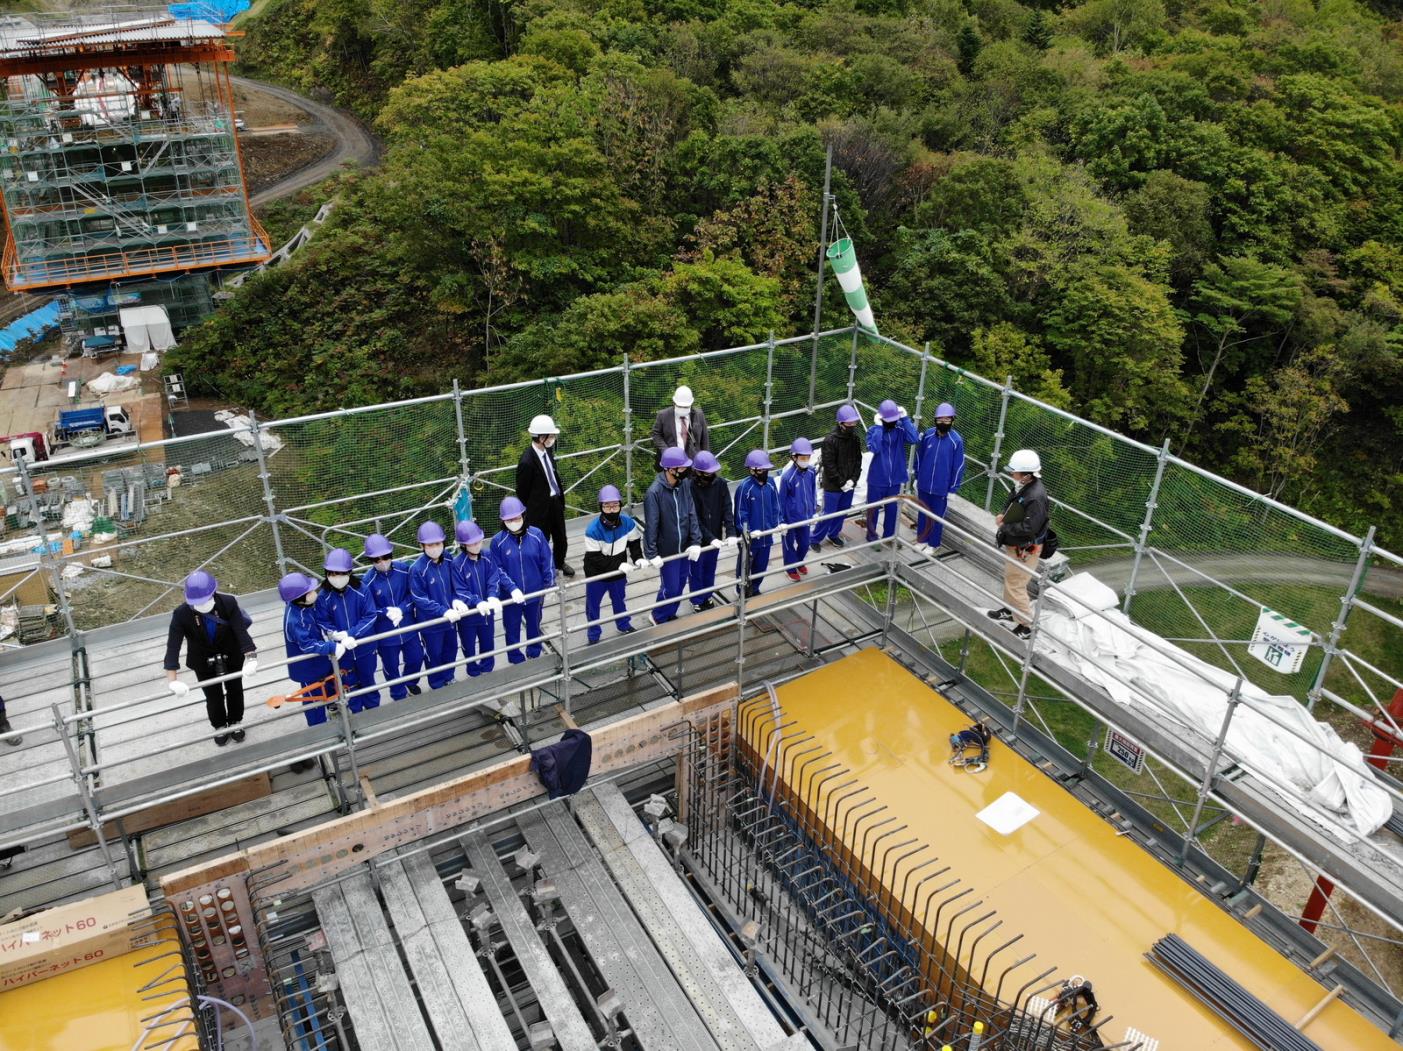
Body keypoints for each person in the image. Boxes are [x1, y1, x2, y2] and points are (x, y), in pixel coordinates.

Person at [163, 571, 257, 746]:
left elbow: (240, 631)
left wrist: (251, 657)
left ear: (213, 593)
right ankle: (220, 725)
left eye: (205, 600)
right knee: (213, 696)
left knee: (235, 689)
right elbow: (172, 647)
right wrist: (172, 681)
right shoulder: (181, 614)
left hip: (231, 654)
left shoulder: (227, 603)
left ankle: (236, 721)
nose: (202, 604)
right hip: (202, 660)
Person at [279, 571, 346, 752]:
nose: (314, 592)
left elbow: (318, 622)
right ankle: (319, 732)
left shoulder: (304, 607)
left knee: (329, 687)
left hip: (320, 662)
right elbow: (307, 646)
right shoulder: (295, 619)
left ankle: (332, 709)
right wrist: (332, 647)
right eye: (309, 591)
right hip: (307, 668)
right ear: (300, 597)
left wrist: (331, 632)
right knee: (314, 699)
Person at [987, 449, 1050, 640]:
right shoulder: (1023, 487)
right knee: (1011, 578)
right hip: (1018, 544)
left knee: (1016, 584)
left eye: (1014, 471)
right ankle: (1010, 609)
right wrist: (1003, 515)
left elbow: (1030, 527)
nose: (1011, 474)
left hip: (1026, 547)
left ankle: (1026, 625)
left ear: (1027, 474)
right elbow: (1013, 505)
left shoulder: (1036, 497)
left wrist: (1006, 527)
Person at [315, 548, 381, 711]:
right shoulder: (324, 596)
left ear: (349, 572)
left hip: (365, 647)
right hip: (342, 651)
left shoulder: (361, 589)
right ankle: (356, 713)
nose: (336, 577)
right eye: (332, 573)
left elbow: (370, 616)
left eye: (340, 573)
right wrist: (338, 636)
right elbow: (322, 621)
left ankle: (374, 710)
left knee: (368, 679)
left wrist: (351, 634)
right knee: (348, 683)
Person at [360, 533, 425, 699]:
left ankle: (410, 682)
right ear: (370, 561)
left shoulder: (404, 570)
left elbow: (414, 594)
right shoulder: (367, 581)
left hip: (409, 626)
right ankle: (397, 692)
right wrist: (386, 612)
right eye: (377, 559)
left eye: (386, 557)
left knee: (416, 658)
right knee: (391, 665)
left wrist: (402, 609)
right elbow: (368, 610)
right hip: (385, 633)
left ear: (391, 554)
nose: (382, 562)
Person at [409, 521, 472, 689]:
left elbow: (455, 584)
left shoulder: (449, 559)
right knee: (433, 654)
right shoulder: (417, 569)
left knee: (451, 648)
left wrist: (456, 599)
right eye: (430, 544)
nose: (435, 547)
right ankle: (436, 683)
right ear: (422, 545)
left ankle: (449, 677)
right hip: (431, 622)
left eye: (438, 543)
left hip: (450, 619)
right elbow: (419, 598)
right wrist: (443, 611)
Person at [644, 447, 703, 624]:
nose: (686, 471)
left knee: (680, 584)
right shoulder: (654, 493)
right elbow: (651, 525)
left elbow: (691, 512)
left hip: (684, 547)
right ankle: (657, 616)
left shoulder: (684, 485)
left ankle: (670, 613)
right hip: (667, 551)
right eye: (683, 468)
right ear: (670, 469)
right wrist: (651, 554)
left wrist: (696, 541)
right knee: (669, 588)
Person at [492, 496, 554, 662]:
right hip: (510, 597)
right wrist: (512, 588)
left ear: (524, 516)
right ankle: (515, 657)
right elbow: (497, 569)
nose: (514, 521)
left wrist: (550, 584)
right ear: (503, 520)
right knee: (511, 627)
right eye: (509, 519)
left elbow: (547, 560)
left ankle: (534, 651)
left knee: (534, 624)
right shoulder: (497, 542)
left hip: (535, 591)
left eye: (517, 518)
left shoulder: (537, 535)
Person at [582, 485, 643, 644]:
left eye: (615, 506)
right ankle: (594, 634)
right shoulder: (592, 530)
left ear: (620, 506)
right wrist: (619, 566)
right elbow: (595, 558)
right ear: (601, 507)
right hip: (596, 573)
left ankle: (623, 624)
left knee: (619, 599)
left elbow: (634, 543)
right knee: (593, 605)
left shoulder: (628, 523)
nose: (611, 510)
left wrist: (638, 558)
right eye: (607, 507)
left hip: (618, 570)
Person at [516, 414, 574, 577]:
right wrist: (530, 511)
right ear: (541, 437)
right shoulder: (527, 462)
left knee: (561, 537)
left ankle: (559, 562)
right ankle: (543, 569)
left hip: (554, 502)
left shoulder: (547, 451)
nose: (553, 438)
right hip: (538, 509)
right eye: (551, 435)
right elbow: (522, 491)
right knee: (541, 541)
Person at [452, 521, 504, 675]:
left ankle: (488, 669)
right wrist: (477, 602)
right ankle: (473, 671)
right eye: (471, 543)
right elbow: (460, 590)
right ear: (463, 545)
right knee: (468, 645)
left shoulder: (487, 555)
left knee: (488, 642)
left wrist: (493, 596)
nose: (476, 546)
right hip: (468, 616)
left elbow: (493, 578)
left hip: (487, 613)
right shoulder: (457, 564)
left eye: (478, 542)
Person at [913, 402, 965, 556]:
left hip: (941, 488)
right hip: (924, 484)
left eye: (947, 420)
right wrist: (917, 476)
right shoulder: (928, 435)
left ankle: (933, 544)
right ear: (935, 420)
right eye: (940, 420)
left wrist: (953, 488)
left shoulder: (956, 441)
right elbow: (919, 456)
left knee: (936, 517)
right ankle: (921, 540)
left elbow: (959, 466)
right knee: (923, 513)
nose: (943, 423)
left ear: (952, 421)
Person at [688, 451, 736, 612]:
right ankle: (696, 599)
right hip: (696, 539)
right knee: (696, 571)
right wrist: (709, 538)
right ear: (698, 472)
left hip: (715, 534)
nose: (711, 475)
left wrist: (730, 532)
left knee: (710, 568)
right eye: (707, 473)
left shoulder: (720, 484)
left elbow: (727, 508)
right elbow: (693, 517)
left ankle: (707, 595)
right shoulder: (690, 488)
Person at [865, 399, 918, 542]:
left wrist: (906, 419)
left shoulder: (900, 429)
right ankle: (871, 536)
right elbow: (874, 448)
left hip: (895, 479)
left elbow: (914, 439)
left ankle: (889, 537)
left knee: (892, 510)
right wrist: (878, 428)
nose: (891, 423)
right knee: (872, 510)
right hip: (877, 478)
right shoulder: (873, 430)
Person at [813, 404, 862, 550]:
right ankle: (815, 538)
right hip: (834, 485)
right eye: (849, 423)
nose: (852, 425)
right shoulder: (830, 440)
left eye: (854, 423)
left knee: (842, 511)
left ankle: (833, 534)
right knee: (829, 513)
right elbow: (829, 465)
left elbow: (857, 460)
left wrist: (853, 479)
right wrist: (841, 482)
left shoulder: (855, 439)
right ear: (841, 423)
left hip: (849, 483)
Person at [733, 449, 781, 597]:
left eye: (766, 469)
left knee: (761, 565)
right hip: (750, 539)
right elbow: (741, 514)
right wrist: (748, 532)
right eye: (761, 469)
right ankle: (741, 590)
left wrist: (779, 523)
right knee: (745, 566)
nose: (765, 472)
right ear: (752, 470)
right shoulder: (744, 487)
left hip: (766, 536)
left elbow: (776, 506)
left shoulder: (771, 483)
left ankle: (755, 588)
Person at [779, 438, 817, 582]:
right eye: (802, 458)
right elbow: (781, 500)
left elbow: (813, 491)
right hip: (790, 518)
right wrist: (781, 520)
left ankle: (798, 562)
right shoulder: (787, 477)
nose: (805, 460)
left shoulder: (812, 472)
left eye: (807, 457)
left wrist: (813, 509)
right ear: (794, 457)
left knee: (805, 544)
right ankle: (790, 568)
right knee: (788, 545)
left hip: (806, 516)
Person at [650, 385, 710, 462]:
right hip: (672, 461)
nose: (682, 409)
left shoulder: (698, 415)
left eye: (685, 407)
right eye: (680, 406)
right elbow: (656, 434)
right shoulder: (663, 415)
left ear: (691, 404)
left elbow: (705, 438)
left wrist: (706, 459)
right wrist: (665, 451)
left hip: (693, 461)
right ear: (674, 402)